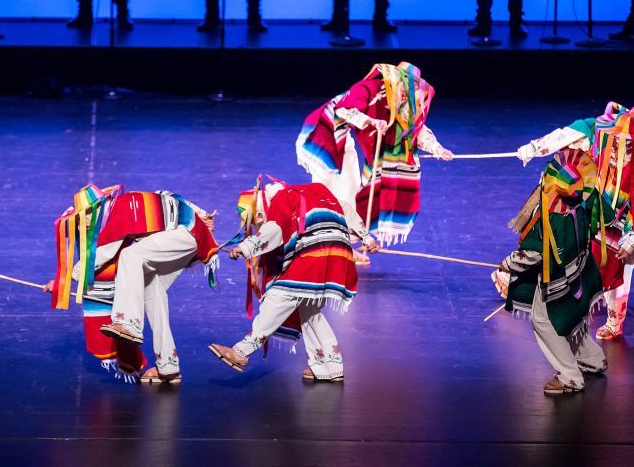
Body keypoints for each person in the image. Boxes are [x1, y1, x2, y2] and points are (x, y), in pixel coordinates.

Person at [516, 102, 634, 357]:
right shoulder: (596, 133)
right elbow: (564, 136)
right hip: (616, 209)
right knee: (613, 261)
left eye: (627, 145)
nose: (622, 149)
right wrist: (533, 149)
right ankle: (614, 322)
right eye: (617, 143)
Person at [48, 185, 219, 384]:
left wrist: (65, 280)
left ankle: (129, 324)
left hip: (184, 235)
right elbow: (167, 196)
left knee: (130, 257)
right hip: (186, 237)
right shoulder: (123, 206)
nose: (80, 226)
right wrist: (200, 213)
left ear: (93, 211)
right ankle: (168, 365)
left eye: (81, 219)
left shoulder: (116, 214)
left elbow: (103, 255)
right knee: (152, 291)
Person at [208, 178, 374, 382]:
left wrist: (245, 248)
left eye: (258, 218)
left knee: (280, 295)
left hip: (315, 253)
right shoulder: (310, 191)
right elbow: (345, 208)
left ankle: (241, 351)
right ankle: (330, 365)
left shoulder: (280, 198)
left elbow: (275, 230)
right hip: (338, 253)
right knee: (309, 308)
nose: (260, 221)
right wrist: (367, 237)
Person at [296, 62, 453, 263]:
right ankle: (311, 241)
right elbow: (344, 110)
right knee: (325, 191)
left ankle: (342, 244)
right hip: (321, 132)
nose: (408, 92)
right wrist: (370, 121)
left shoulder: (399, 102)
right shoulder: (369, 88)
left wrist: (437, 149)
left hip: (343, 139)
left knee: (351, 192)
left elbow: (415, 129)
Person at [493, 149, 608, 395]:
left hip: (558, 279)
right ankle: (594, 359)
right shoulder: (584, 202)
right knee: (574, 318)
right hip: (580, 270)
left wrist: (506, 265)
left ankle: (570, 376)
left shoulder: (552, 217)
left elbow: (534, 254)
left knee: (545, 322)